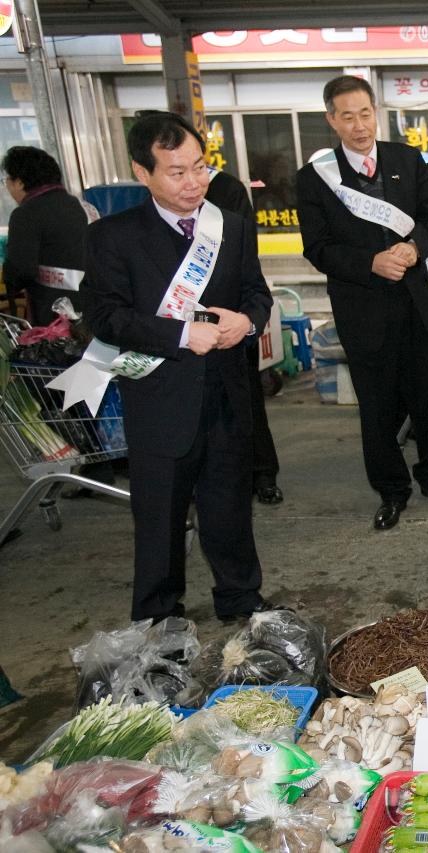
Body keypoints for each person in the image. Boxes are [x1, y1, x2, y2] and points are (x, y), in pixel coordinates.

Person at [82, 111, 275, 623]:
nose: (194, 183)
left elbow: (257, 292)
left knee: (231, 512)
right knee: (160, 521)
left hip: (228, 397)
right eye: (176, 172)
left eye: (200, 167)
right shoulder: (114, 237)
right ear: (142, 173)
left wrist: (248, 322)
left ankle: (241, 600)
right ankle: (158, 619)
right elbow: (103, 316)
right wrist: (182, 334)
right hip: (160, 402)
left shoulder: (229, 226)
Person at [296, 75, 428, 531]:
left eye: (365, 113)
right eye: (347, 116)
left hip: (413, 303)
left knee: (427, 398)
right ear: (332, 120)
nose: (359, 125)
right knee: (378, 406)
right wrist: (371, 262)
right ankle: (391, 490)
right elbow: (317, 247)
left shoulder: (406, 159)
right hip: (361, 308)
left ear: (375, 112)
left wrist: (414, 248)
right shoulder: (315, 178)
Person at [201, 161, 285, 505]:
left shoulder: (226, 189)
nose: (189, 182)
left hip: (229, 318)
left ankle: (262, 473)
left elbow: (245, 263)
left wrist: (246, 318)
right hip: (178, 329)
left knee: (246, 400)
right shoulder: (134, 225)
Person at [2, 146, 92, 325]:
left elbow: (21, 270)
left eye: (7, 181)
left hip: (56, 314)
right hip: (97, 305)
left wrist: (8, 278)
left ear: (19, 182)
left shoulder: (26, 214)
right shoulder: (82, 206)